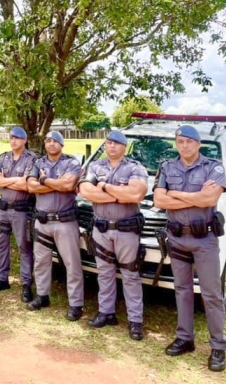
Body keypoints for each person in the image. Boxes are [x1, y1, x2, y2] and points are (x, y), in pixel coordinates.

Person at [153, 125, 226, 372]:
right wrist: (192, 195)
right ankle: (185, 338)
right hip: (176, 237)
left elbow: (210, 200)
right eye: (180, 141)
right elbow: (158, 200)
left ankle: (218, 346)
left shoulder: (213, 167)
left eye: (189, 141)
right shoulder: (167, 166)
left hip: (204, 239)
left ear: (198, 143)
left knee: (211, 295)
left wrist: (174, 193)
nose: (184, 146)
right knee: (182, 290)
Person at [78, 130, 148, 341]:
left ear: (124, 147)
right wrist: (119, 194)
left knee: (130, 274)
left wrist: (106, 187)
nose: (112, 147)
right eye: (108, 143)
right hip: (100, 229)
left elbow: (135, 194)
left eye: (116, 143)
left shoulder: (135, 167)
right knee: (104, 273)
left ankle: (135, 321)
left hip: (126, 230)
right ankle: (106, 312)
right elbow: (85, 191)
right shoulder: (95, 166)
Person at [26, 131, 84, 320]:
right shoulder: (38, 163)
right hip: (42, 220)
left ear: (62, 144)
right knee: (41, 260)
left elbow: (69, 186)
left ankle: (75, 304)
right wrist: (55, 183)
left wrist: (44, 180)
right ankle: (42, 296)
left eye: (55, 141)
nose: (51, 144)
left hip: (64, 221)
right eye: (48, 141)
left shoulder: (72, 162)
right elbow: (31, 187)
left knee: (71, 264)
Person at [0, 127, 36, 296]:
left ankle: (26, 284)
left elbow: (27, 185)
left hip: (21, 210)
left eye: (17, 138)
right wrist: (15, 179)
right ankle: (2, 279)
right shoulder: (4, 157)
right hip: (2, 209)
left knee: (24, 246)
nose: (13, 140)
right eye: (11, 137)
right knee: (1, 245)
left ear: (24, 140)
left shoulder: (31, 159)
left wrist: (5, 181)